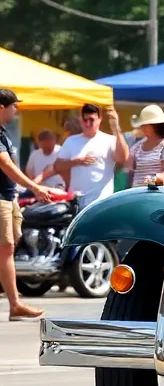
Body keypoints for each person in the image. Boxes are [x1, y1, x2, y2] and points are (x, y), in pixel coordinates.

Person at [0, 89, 54, 321]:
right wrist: (34, 186)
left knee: (7, 249)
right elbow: (5, 164)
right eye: (14, 106)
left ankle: (15, 304)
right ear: (2, 108)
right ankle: (15, 304)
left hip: (7, 195)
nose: (16, 110)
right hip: (1, 197)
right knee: (5, 249)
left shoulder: (4, 132)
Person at [54, 103, 129, 207]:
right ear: (80, 120)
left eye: (92, 120)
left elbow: (122, 158)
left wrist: (116, 128)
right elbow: (57, 166)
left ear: (99, 120)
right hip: (77, 200)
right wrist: (77, 161)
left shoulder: (109, 140)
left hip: (101, 200)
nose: (88, 123)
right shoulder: (71, 141)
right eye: (85, 120)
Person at [125, 106, 164, 188]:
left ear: (156, 125)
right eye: (142, 125)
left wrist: (151, 181)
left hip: (156, 195)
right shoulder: (137, 146)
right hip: (136, 194)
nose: (142, 127)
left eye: (146, 125)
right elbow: (129, 171)